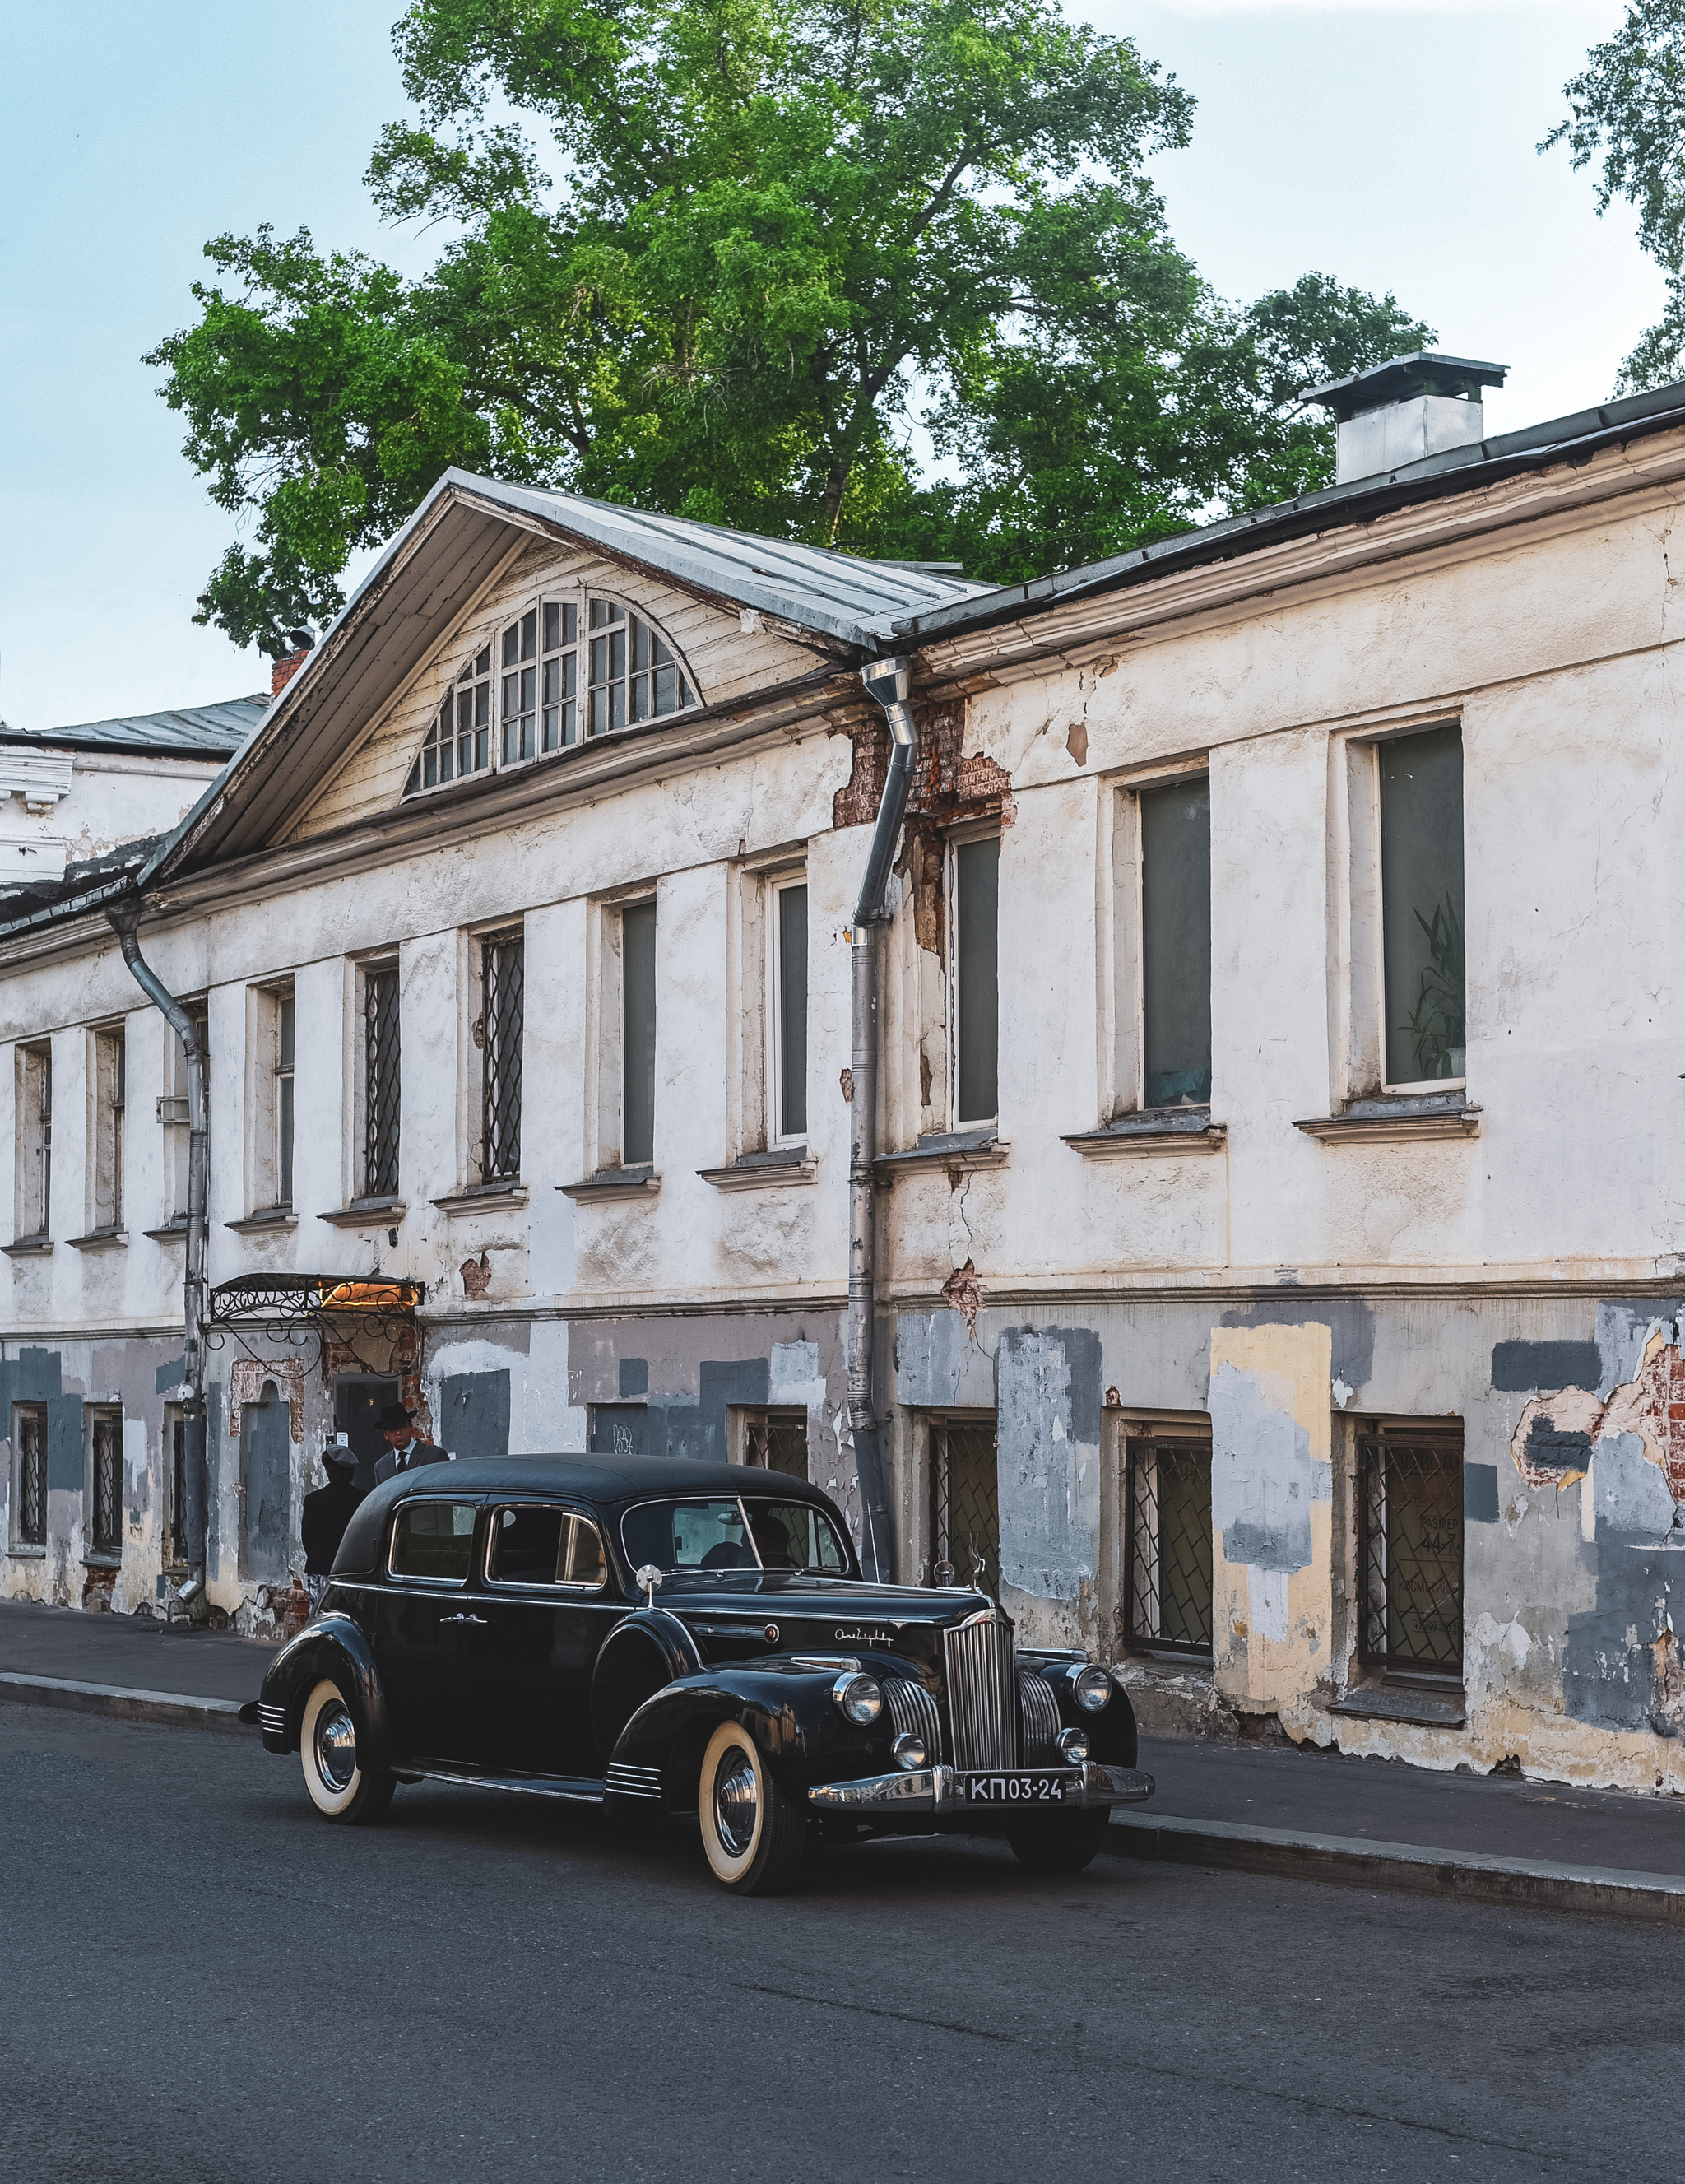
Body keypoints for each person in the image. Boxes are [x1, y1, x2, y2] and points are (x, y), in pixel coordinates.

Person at [301, 1438, 363, 1615]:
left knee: (319, 1616)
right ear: (350, 1472)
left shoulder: (314, 1500)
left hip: (320, 1566)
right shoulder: (362, 1498)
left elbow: (308, 1538)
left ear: (328, 1471)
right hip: (352, 1568)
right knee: (348, 1616)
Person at [371, 1401, 448, 1485]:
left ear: (411, 1428)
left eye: (402, 1427)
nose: (398, 1432)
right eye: (393, 1428)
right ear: (386, 1435)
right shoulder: (381, 1467)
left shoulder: (434, 1456)